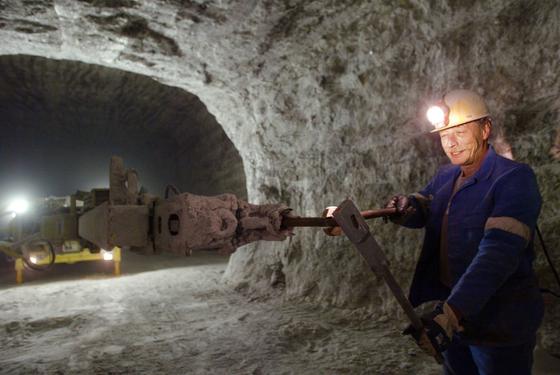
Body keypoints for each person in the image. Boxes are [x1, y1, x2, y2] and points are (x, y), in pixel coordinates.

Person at [386, 89, 543, 374]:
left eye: (460, 132)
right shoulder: (447, 176)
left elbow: (498, 255)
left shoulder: (514, 179)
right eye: (445, 135)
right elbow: (424, 207)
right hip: (455, 322)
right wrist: (406, 206)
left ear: (485, 129)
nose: (451, 143)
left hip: (499, 323)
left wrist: (450, 313)